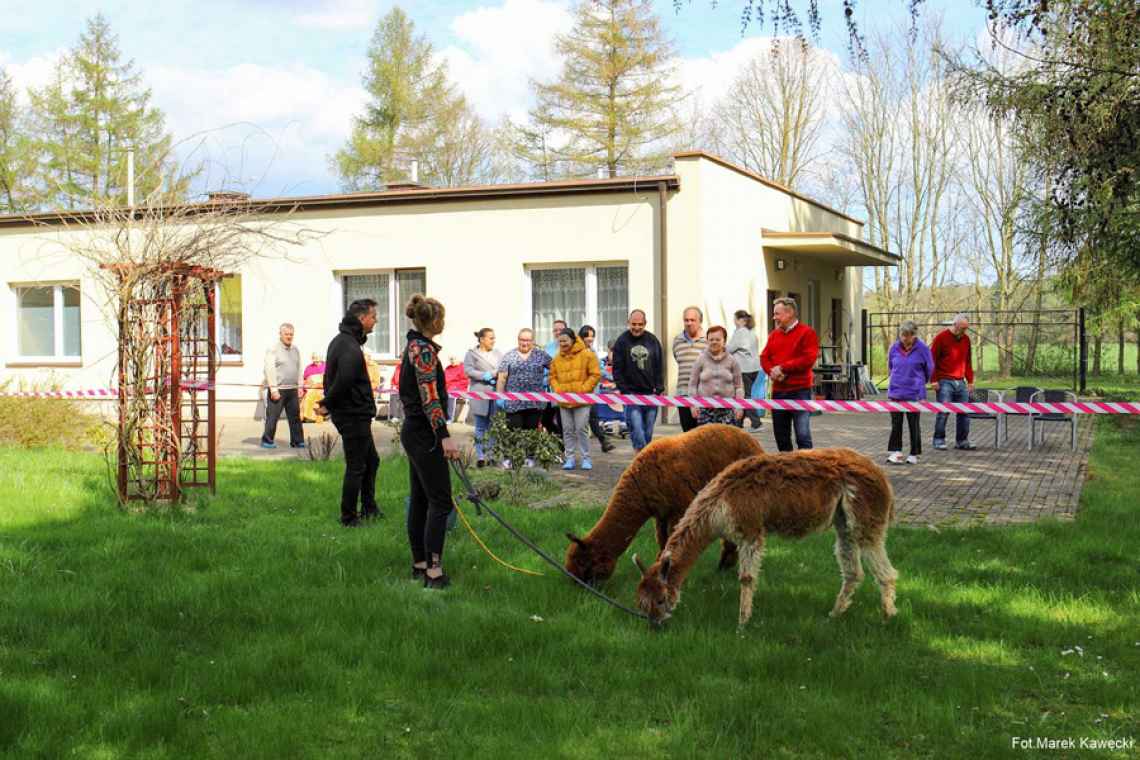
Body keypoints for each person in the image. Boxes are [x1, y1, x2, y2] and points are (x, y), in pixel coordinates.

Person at [399, 294, 461, 590]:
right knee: (440, 500)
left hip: (414, 431)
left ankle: (420, 563)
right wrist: (444, 436)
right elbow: (430, 398)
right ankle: (433, 572)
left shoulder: (414, 345)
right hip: (424, 435)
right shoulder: (423, 350)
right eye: (442, 317)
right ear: (435, 321)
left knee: (421, 499)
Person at [319, 300, 381, 526]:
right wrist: (327, 403)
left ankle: (369, 507)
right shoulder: (347, 344)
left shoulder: (347, 341)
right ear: (362, 318)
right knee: (357, 466)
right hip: (352, 414)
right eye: (374, 316)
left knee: (371, 461)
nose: (376, 321)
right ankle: (348, 517)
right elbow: (343, 379)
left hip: (356, 412)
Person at [760, 297, 819, 452]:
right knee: (781, 436)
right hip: (779, 391)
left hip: (800, 391)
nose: (774, 318)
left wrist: (782, 368)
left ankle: (807, 470)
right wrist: (772, 371)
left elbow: (808, 359)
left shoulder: (807, 333)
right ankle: (786, 470)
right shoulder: (774, 335)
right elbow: (764, 357)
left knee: (803, 436)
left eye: (777, 314)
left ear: (790, 312)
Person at [496, 328, 552, 467]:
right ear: (518, 340)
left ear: (533, 341)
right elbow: (502, 377)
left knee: (531, 431)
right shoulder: (509, 355)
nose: (524, 343)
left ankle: (530, 457)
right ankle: (510, 457)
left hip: (535, 402)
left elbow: (556, 368)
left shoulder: (541, 355)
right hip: (513, 402)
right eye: (522, 340)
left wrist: (549, 380)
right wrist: (499, 396)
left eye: (527, 340)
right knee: (512, 431)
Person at [549, 327, 602, 470]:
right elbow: (552, 377)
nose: (562, 344)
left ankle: (586, 458)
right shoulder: (557, 358)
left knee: (581, 429)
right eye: (560, 341)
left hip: (582, 400)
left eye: (565, 341)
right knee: (567, 430)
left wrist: (583, 390)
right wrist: (558, 389)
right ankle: (570, 458)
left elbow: (595, 375)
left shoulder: (587, 354)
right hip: (564, 400)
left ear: (573, 340)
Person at [612, 309, 664, 452]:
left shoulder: (653, 341)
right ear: (628, 323)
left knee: (648, 431)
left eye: (640, 324)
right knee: (637, 429)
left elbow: (659, 365)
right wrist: (624, 390)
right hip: (631, 394)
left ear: (645, 324)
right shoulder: (622, 341)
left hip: (650, 394)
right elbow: (617, 368)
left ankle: (642, 457)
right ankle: (641, 455)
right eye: (633, 324)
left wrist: (659, 388)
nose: (636, 327)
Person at [886, 320, 934, 465]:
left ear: (914, 335)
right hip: (896, 391)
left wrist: (920, 382)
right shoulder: (894, 348)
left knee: (914, 424)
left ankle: (914, 453)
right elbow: (890, 366)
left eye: (908, 335)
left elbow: (930, 368)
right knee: (896, 424)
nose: (905, 338)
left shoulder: (923, 349)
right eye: (903, 335)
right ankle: (897, 452)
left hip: (915, 393)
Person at [930, 314, 976, 451]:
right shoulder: (941, 338)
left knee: (964, 412)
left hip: (960, 381)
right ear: (955, 325)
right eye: (962, 328)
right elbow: (932, 360)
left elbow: (967, 361)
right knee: (943, 412)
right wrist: (933, 380)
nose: (964, 331)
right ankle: (938, 440)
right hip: (944, 381)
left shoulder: (966, 340)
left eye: (966, 328)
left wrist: (970, 380)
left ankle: (962, 440)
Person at [688, 325, 745, 426]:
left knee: (726, 441)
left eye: (718, 339)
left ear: (724, 341)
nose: (714, 342)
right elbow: (692, 385)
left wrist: (739, 406)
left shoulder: (733, 361)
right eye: (711, 339)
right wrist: (693, 405)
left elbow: (739, 387)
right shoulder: (700, 359)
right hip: (705, 411)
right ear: (707, 341)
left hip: (727, 412)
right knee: (706, 441)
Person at [261, 323, 305, 449]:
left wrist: (300, 387)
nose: (289, 336)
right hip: (278, 390)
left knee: (295, 417)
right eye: (286, 334)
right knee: (273, 417)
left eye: (291, 334)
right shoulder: (273, 349)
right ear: (280, 334)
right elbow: (269, 370)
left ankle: (297, 441)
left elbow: (299, 369)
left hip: (292, 389)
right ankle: (267, 440)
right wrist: (273, 389)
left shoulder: (296, 350)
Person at [463, 328, 502, 467]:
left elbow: (502, 368)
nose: (493, 340)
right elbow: (468, 370)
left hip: (495, 391)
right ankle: (480, 456)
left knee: (493, 426)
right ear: (482, 339)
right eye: (491, 338)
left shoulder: (497, 353)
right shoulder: (471, 354)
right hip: (479, 392)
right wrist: (484, 375)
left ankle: (491, 455)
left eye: (494, 338)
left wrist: (494, 375)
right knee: (480, 426)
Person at [578, 325, 615, 453]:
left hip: (591, 391)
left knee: (593, 417)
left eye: (592, 336)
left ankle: (603, 441)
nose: (590, 338)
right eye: (588, 335)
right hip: (578, 391)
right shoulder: (576, 351)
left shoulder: (592, 351)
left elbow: (599, 369)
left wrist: (614, 377)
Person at [671, 306, 707, 433]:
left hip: (703, 395)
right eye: (686, 320)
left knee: (702, 435)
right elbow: (678, 359)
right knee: (687, 434)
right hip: (683, 394)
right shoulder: (677, 341)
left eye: (692, 320)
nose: (689, 323)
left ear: (700, 321)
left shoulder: (708, 340)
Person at [728, 309, 763, 430]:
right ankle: (739, 423)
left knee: (744, 396)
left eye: (735, 319)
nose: (734, 322)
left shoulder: (740, 332)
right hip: (754, 368)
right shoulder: (752, 332)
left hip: (744, 369)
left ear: (741, 320)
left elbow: (730, 348)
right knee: (746, 395)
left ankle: (756, 423)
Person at [541, 319, 567, 441]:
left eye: (560, 330)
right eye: (555, 330)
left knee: (563, 421)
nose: (557, 332)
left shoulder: (570, 347)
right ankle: (558, 442)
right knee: (545, 420)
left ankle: (565, 450)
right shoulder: (548, 347)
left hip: (563, 389)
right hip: (548, 390)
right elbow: (543, 365)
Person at [299, 353, 327, 423]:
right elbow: (305, 381)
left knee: (317, 395)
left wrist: (319, 384)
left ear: (321, 358)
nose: (316, 360)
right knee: (308, 396)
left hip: (323, 389)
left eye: (317, 358)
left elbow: (329, 380)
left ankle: (314, 417)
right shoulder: (308, 368)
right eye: (314, 358)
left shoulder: (327, 366)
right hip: (310, 389)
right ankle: (307, 417)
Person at [444, 355, 468, 422]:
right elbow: (444, 379)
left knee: (450, 395)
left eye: (453, 359)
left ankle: (449, 418)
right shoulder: (448, 368)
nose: (452, 361)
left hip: (458, 388)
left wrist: (456, 387)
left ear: (458, 359)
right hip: (447, 388)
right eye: (451, 359)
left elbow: (465, 381)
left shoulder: (463, 367)